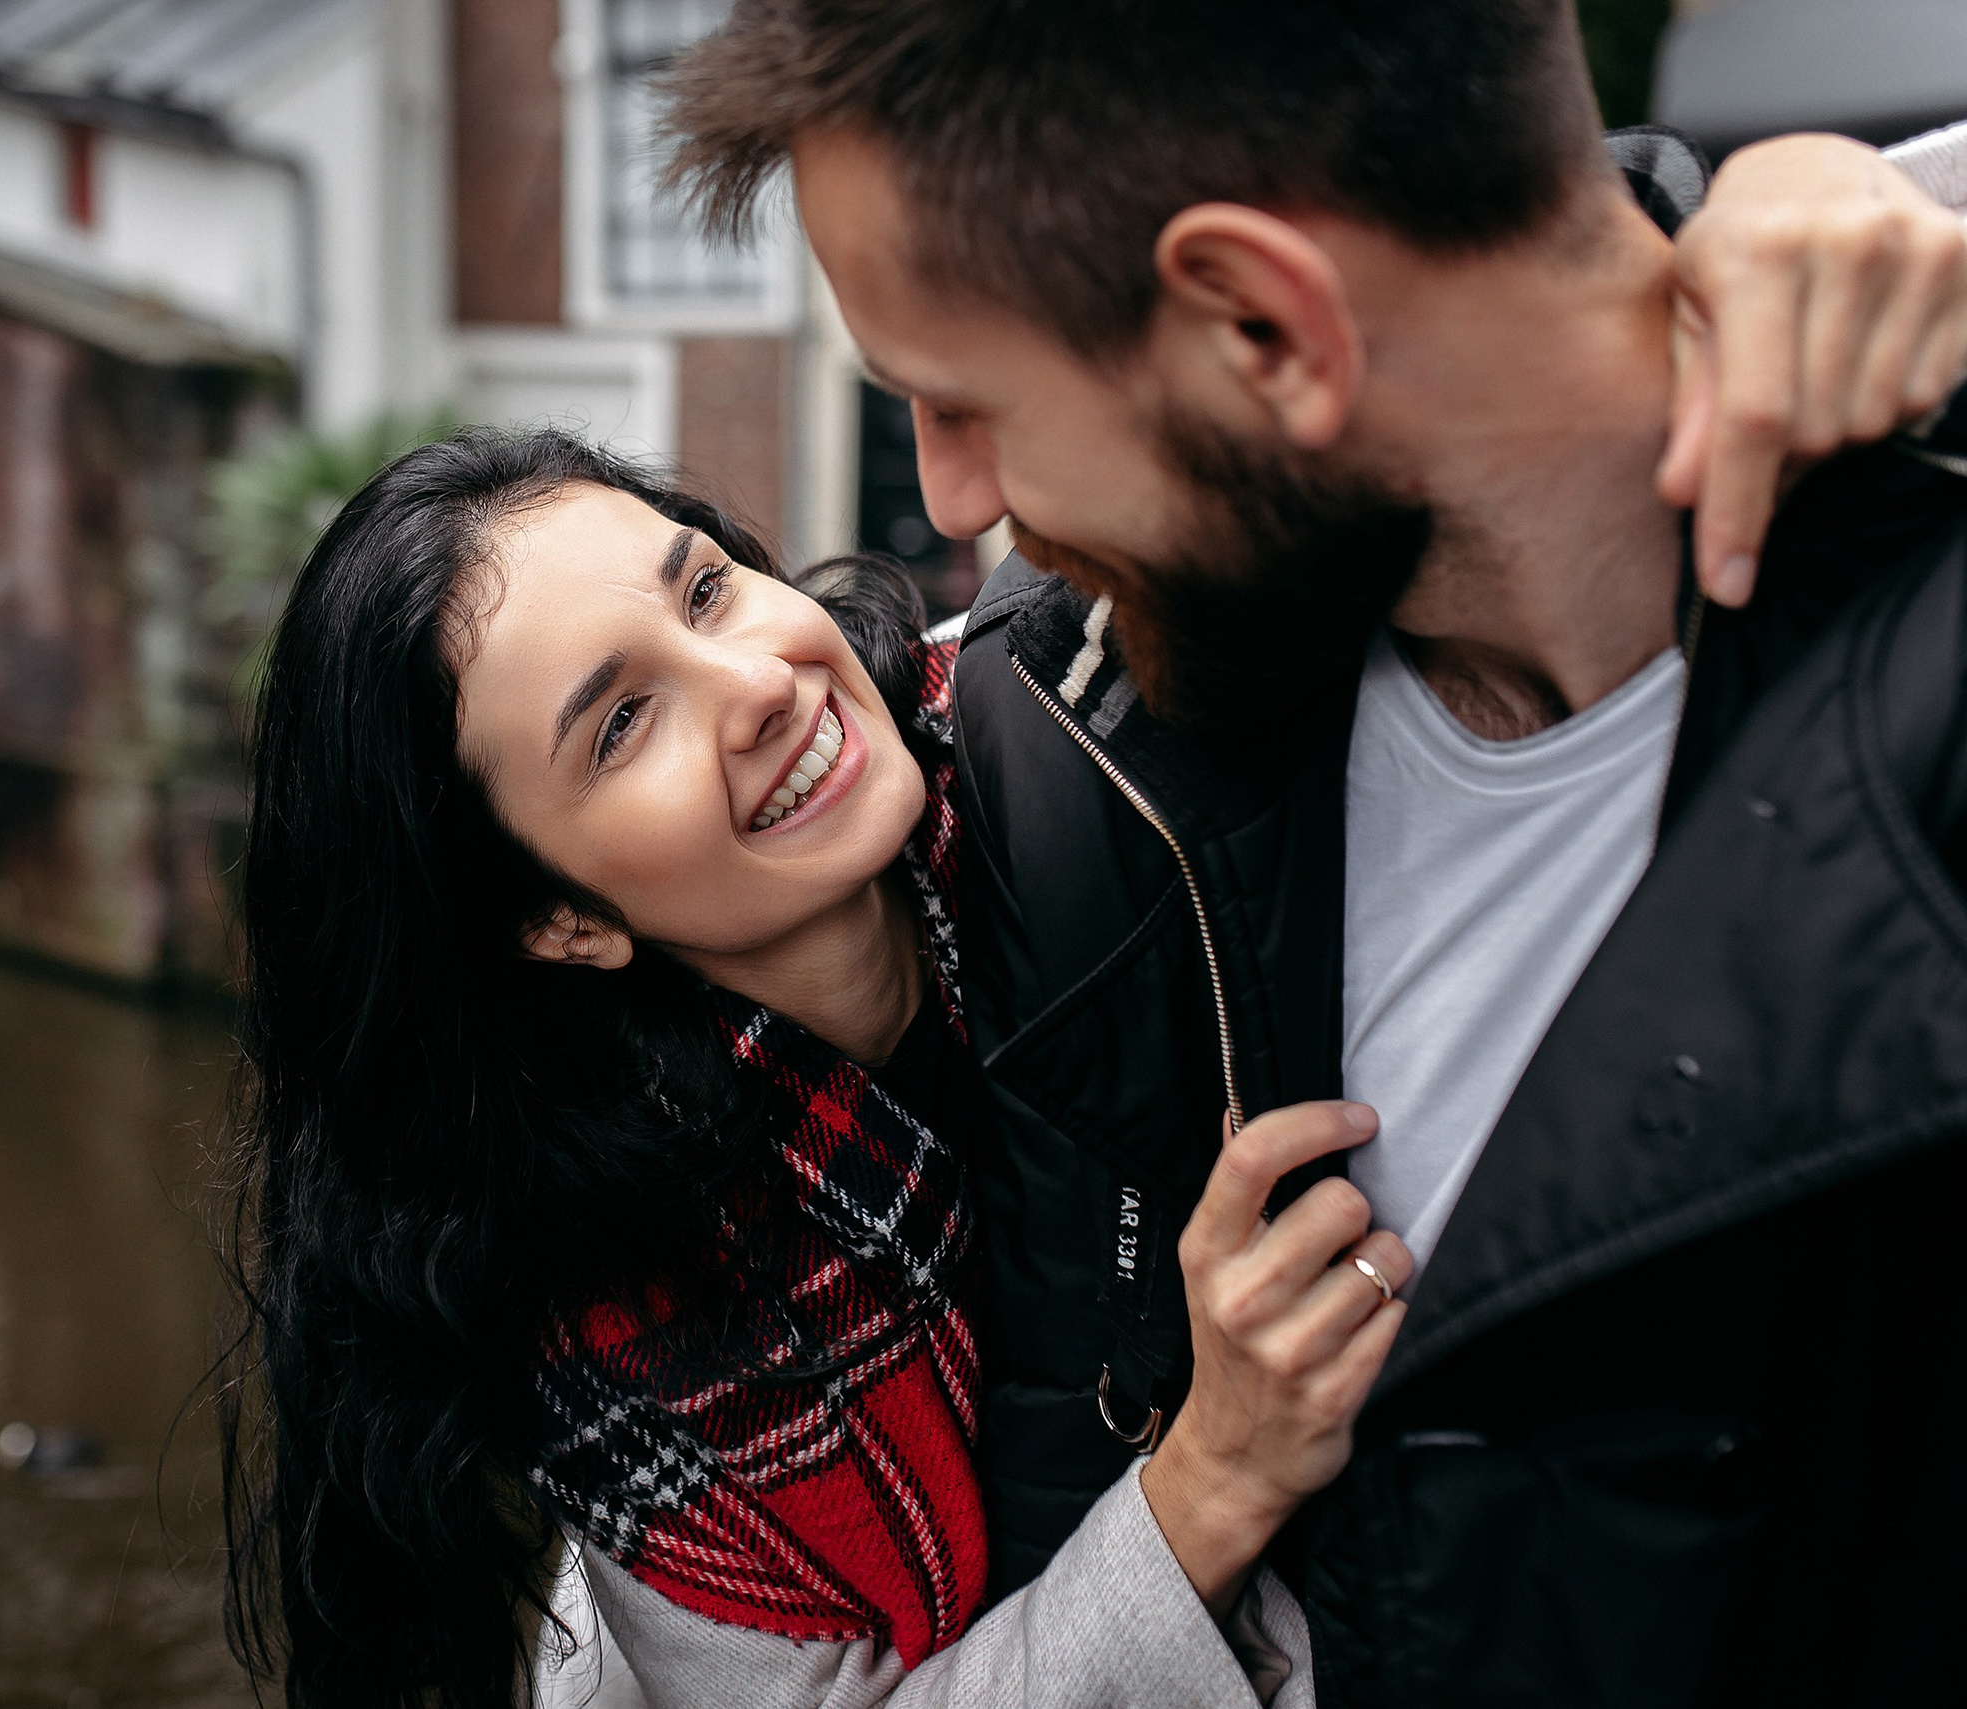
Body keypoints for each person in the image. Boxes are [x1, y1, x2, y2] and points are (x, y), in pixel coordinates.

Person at [666, 4, 1967, 1703]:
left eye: (965, 398)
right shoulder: (1066, 735)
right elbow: (1067, 1461)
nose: (955, 496)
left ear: (1264, 325)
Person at [217, 428, 1408, 1709]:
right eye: (623, 723)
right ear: (558, 918)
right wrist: (1215, 1479)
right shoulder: (630, 1342)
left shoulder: (1074, 725)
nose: (757, 684)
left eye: (704, 590)